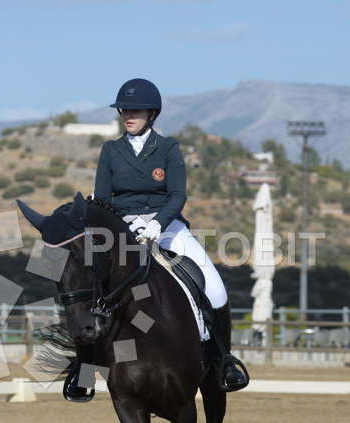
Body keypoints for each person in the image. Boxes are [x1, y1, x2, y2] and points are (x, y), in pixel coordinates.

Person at [63, 77, 249, 401]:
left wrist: (157, 224)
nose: (128, 115)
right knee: (89, 288)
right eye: (124, 110)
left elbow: (177, 195)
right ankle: (85, 371)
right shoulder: (110, 150)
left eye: (135, 111)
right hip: (121, 229)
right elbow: (103, 199)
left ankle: (222, 360)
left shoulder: (167, 148)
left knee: (215, 287)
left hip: (167, 227)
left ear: (152, 113)